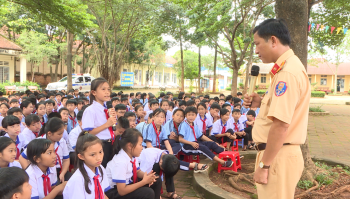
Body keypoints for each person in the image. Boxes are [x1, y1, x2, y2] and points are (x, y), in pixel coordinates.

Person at [243, 18, 310, 198]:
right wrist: (260, 102)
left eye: (257, 44)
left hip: (277, 157)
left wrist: (265, 165)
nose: (256, 50)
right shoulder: (286, 69)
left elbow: (281, 125)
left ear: (273, 40)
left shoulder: (286, 73)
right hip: (279, 154)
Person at [105, 129, 161, 199]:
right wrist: (143, 182)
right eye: (140, 144)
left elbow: (137, 171)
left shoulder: (132, 156)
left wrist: (147, 176)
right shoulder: (120, 162)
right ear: (130, 146)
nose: (142, 148)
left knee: (157, 179)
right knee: (148, 193)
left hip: (127, 185)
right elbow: (121, 191)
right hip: (115, 192)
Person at [20, 118, 71, 182]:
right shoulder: (38, 142)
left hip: (59, 170)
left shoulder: (62, 141)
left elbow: (66, 160)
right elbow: (22, 157)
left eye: (62, 133)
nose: (61, 136)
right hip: (44, 170)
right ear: (49, 133)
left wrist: (62, 173)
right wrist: (31, 171)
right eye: (59, 134)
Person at [63, 132, 111, 199]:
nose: (99, 157)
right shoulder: (77, 180)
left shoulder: (100, 168)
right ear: (81, 156)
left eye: (100, 152)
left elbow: (102, 194)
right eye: (93, 154)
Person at [82, 77, 117, 168]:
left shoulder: (107, 108)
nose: (107, 92)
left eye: (108, 89)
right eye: (103, 89)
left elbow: (112, 127)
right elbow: (88, 133)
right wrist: (107, 124)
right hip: (99, 145)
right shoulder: (90, 110)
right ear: (94, 92)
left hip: (111, 143)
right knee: (101, 169)